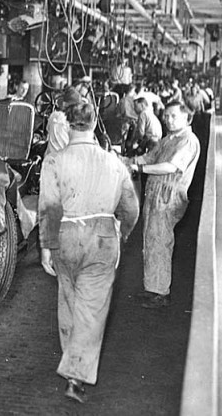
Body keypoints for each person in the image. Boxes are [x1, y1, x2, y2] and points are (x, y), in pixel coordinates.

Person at [38, 101, 139, 404]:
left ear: (67, 125)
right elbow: (131, 208)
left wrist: (46, 248)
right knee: (91, 309)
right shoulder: (114, 163)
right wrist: (122, 231)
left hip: (65, 237)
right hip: (102, 238)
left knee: (68, 299)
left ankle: (72, 362)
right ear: (94, 123)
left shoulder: (54, 161)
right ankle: (76, 374)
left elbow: (48, 207)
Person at [125, 100, 201, 309]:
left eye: (173, 116)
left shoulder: (188, 141)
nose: (168, 119)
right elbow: (149, 157)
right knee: (151, 240)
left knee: (160, 242)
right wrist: (126, 160)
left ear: (188, 118)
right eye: (166, 115)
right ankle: (153, 288)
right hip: (156, 195)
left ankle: (161, 293)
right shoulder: (169, 139)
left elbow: (170, 166)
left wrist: (139, 169)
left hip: (168, 197)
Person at [45, 86, 84, 156]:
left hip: (49, 158)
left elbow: (47, 130)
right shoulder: (70, 122)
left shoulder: (53, 116)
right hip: (65, 158)